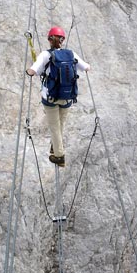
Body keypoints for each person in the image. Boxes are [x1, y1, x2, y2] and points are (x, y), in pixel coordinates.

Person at [26, 26, 90, 167]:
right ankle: (55, 147)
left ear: (49, 40)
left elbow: (33, 71)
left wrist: (28, 71)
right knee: (60, 125)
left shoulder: (45, 55)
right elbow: (86, 67)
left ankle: (59, 156)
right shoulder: (71, 54)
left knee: (55, 127)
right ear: (63, 40)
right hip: (67, 98)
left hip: (50, 98)